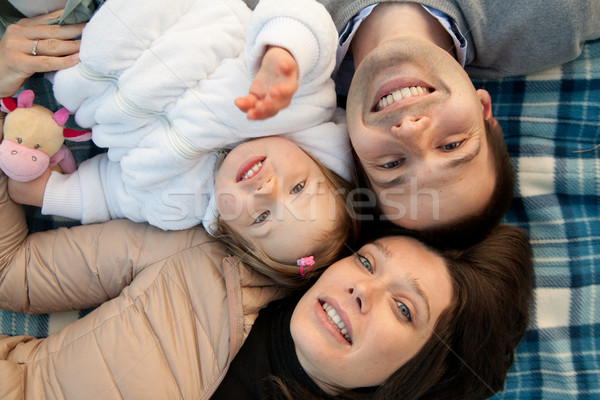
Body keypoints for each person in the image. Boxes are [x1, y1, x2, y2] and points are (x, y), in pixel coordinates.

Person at [0, 170, 533, 399]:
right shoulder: (206, 256)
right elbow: (12, 271)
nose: (359, 291)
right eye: (368, 264)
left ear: (425, 375)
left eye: (403, 309)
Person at [5, 0, 357, 282]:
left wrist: (52, 194)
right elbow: (302, 16)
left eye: (263, 216)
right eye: (297, 188)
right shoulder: (295, 102)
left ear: (228, 230)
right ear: (319, 161)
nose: (267, 189)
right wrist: (284, 54)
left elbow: (110, 193)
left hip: (70, 42)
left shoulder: (173, 204)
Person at [241, 0, 600, 248]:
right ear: (483, 108)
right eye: (452, 145)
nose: (410, 131)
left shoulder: (264, 41)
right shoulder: (553, 18)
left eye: (392, 164)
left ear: (349, 144)